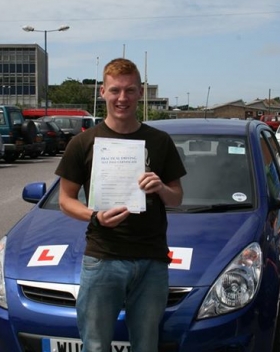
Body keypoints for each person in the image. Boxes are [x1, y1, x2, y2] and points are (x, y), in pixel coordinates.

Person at [55, 58, 186, 352]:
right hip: (104, 258)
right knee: (96, 345)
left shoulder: (160, 141)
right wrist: (95, 216)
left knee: (146, 345)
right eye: (115, 90)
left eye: (129, 90)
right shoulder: (83, 143)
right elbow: (65, 200)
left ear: (141, 92)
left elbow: (177, 197)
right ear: (103, 92)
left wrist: (161, 187)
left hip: (151, 260)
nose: (122, 98)